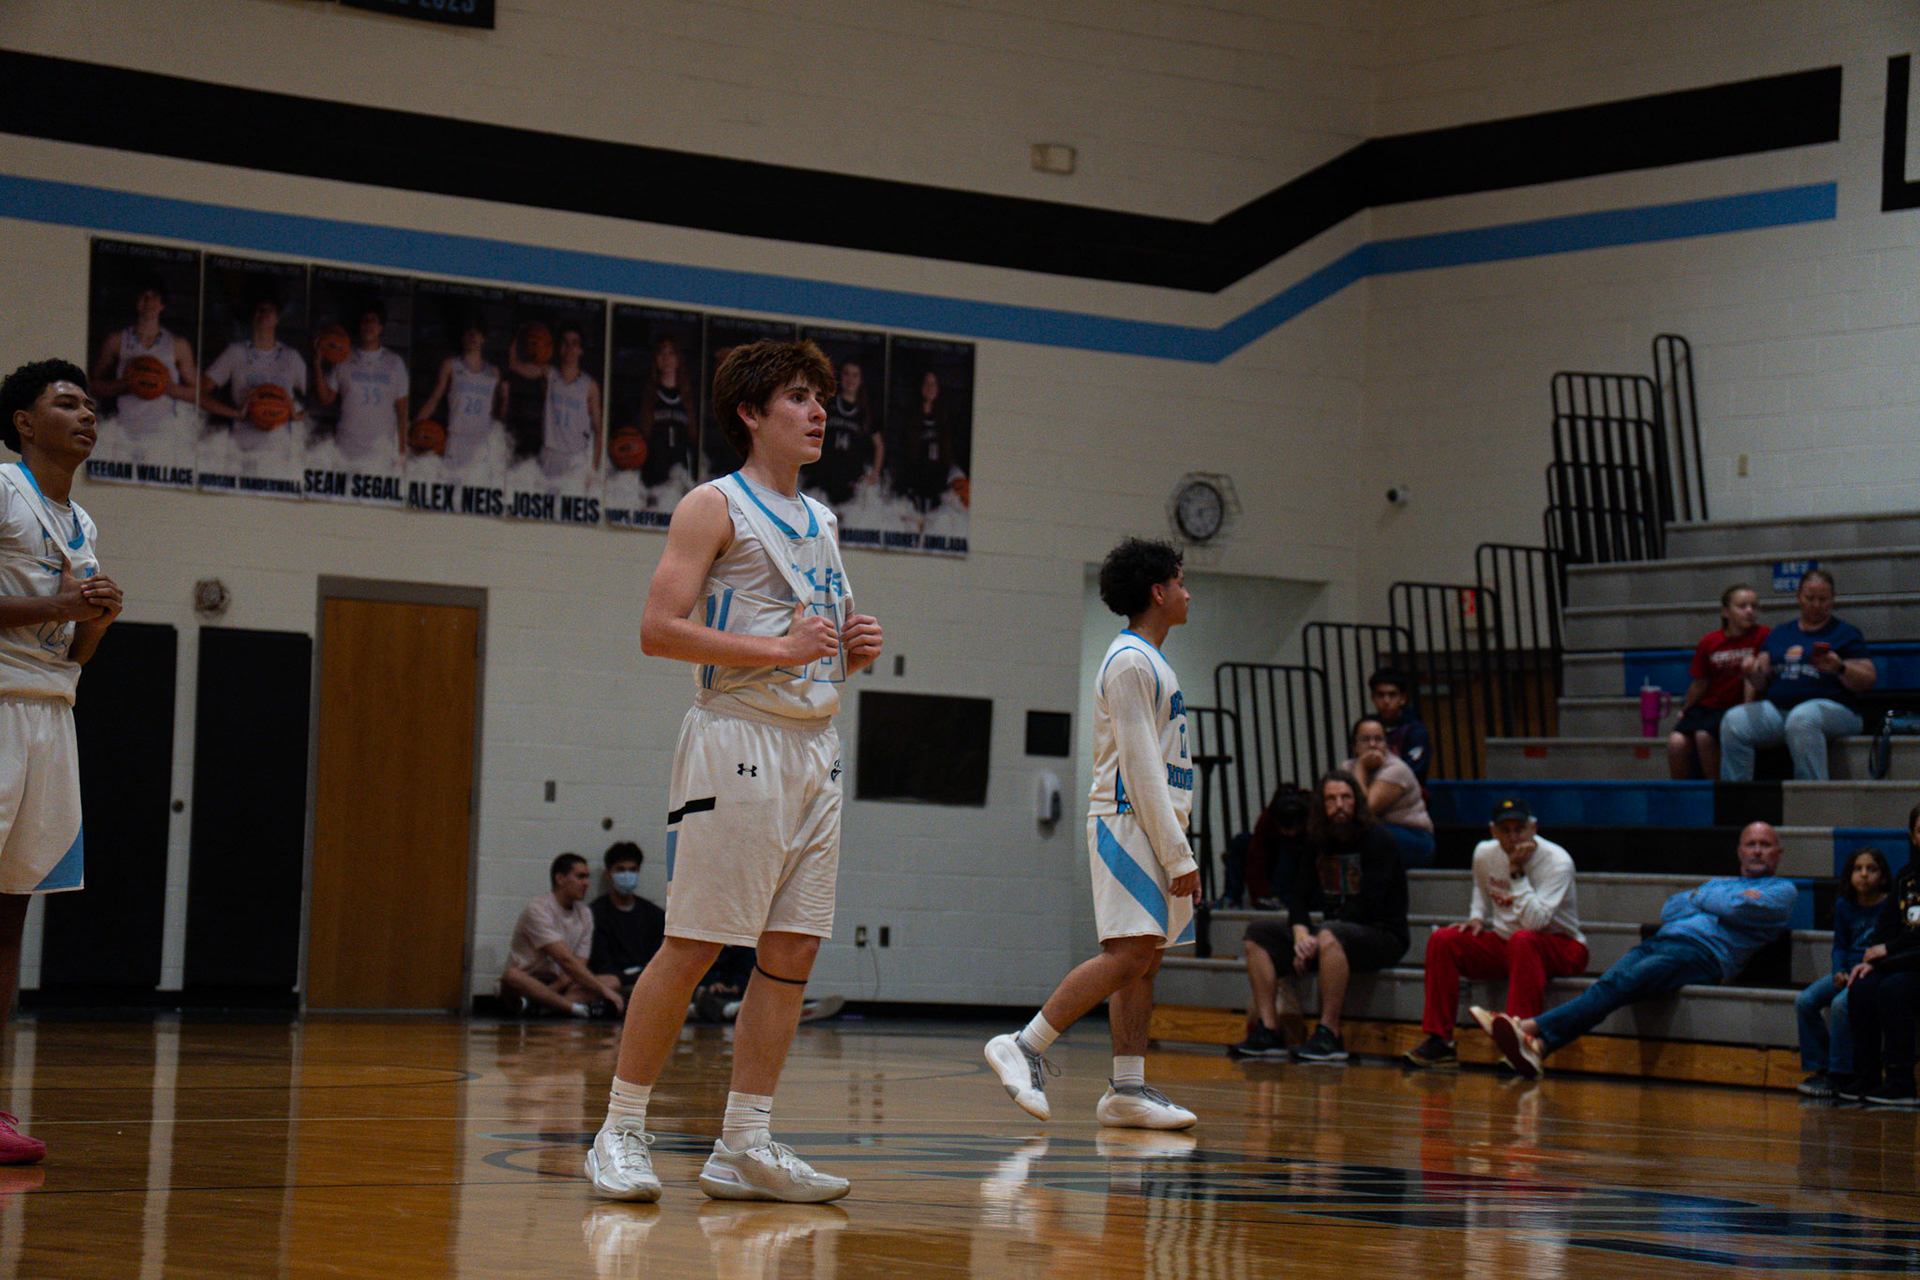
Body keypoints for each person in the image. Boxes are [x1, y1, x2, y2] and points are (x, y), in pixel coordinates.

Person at [585, 339, 882, 1205]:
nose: (818, 411)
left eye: (821, 397)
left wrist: (851, 654)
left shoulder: (822, 521)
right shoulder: (712, 505)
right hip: (736, 738)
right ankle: (619, 1130)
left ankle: (743, 1143)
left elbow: (809, 647)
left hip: (815, 748)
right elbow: (658, 629)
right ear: (751, 414)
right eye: (798, 397)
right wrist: (782, 650)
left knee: (793, 949)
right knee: (695, 942)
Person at [984, 537, 1201, 1131]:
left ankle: (1127, 1089)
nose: (1187, 593)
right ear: (1158, 592)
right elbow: (1140, 766)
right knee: (1128, 953)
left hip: (1150, 822)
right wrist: (1177, 854)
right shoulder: (1130, 661)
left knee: (1145, 960)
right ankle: (1024, 1045)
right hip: (1127, 820)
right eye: (1180, 582)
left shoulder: (1150, 660)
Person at [0, 359, 125, 1165]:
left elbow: (75, 649)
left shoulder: (81, 521)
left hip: (50, 711)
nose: (86, 416)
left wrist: (98, 621)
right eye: (67, 403)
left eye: (91, 406)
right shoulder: (1, 489)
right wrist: (59, 604)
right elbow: (47, 611)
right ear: (23, 421)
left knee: (9, 919)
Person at [1487, 822, 1796, 1079]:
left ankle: (1528, 1026)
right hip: (1661, 943)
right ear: (1740, 851)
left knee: (1616, 985)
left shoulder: (1782, 890)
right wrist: (1719, 900)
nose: (1757, 851)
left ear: (1779, 853)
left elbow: (1737, 908)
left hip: (1703, 955)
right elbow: (1670, 909)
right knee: (1610, 985)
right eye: (1751, 844)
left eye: (1765, 845)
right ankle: (1539, 1048)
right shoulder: (1722, 884)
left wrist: (1700, 897)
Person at [1231, 770, 1408, 1061]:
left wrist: (1319, 937)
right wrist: (1301, 933)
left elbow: (1370, 904)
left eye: (1346, 798)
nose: (1339, 805)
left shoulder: (1379, 840)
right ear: (1322, 806)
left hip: (1383, 934)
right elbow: (1298, 896)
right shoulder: (1318, 841)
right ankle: (1269, 1029)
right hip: (1332, 935)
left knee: (1329, 934)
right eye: (1331, 799)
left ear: (1357, 802)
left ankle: (1329, 1032)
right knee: (1258, 934)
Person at [1405, 798, 1588, 1068]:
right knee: (1443, 939)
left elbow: (1535, 923)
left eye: (1520, 829)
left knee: (1523, 939)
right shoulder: (1484, 853)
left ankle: (1520, 1041)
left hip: (1562, 946)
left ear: (1534, 828)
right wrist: (1477, 917)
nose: (1513, 837)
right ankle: (1440, 1041)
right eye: (1505, 830)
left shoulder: (1557, 862)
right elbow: (1481, 888)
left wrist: (1516, 873)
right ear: (1493, 832)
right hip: (1510, 943)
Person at [1720, 571, 1875, 782]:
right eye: (1810, 598)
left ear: (1832, 599)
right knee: (1734, 721)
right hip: (1781, 709)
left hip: (1836, 709)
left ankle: (1811, 793)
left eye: (1822, 599)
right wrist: (1752, 671)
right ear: (1799, 597)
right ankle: (1737, 794)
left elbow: (1868, 679)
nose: (1816, 605)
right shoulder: (1780, 634)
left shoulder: (1846, 633)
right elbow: (1762, 681)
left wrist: (1841, 668)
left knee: (1802, 718)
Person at [1834, 803, 1920, 1106]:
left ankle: (1901, 1082)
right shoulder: (1906, 877)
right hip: (1903, 961)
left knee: (1893, 989)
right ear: (1912, 835)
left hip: (1912, 964)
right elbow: (1886, 925)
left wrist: (1888, 952)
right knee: (1862, 987)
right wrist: (1873, 960)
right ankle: (1868, 1075)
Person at [1796, 846, 1889, 1098]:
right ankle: (1821, 1065)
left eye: (1871, 869)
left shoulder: (1889, 905)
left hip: (1872, 972)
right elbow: (1840, 945)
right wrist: (1838, 971)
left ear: (1883, 876)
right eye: (1858, 869)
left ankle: (1841, 1073)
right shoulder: (1844, 905)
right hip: (1847, 969)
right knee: (1804, 1001)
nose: (1864, 874)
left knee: (1840, 1005)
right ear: (1849, 875)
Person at [501, 853, 626, 1018]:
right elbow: (565, 959)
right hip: (529, 981)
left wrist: (558, 986)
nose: (586, 883)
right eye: (580, 877)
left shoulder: (585, 914)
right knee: (511, 976)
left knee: (612, 981)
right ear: (560, 879)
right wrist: (603, 991)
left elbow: (579, 964)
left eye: (587, 877)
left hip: (561, 982)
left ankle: (543, 1006)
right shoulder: (538, 909)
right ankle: (577, 1009)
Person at [1669, 584, 1769, 780]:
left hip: (1737, 709)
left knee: (1704, 736)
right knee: (1676, 742)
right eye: (1742, 606)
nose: (1749, 611)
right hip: (1710, 708)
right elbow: (1700, 682)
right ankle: (1681, 794)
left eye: (1754, 606)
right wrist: (1685, 708)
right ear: (1725, 612)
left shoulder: (1763, 635)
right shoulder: (1710, 641)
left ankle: (1717, 792)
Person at [88, 278, 197, 456]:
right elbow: (94, 385)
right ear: (136, 302)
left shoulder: (178, 344)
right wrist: (124, 385)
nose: (149, 301)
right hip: (123, 430)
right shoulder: (116, 340)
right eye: (144, 296)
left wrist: (167, 387)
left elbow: (196, 394)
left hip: (165, 432)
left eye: (155, 297)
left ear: (162, 305)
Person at [200, 294, 307, 455]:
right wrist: (236, 413)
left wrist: (297, 414)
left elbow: (317, 400)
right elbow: (199, 393)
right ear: (252, 318)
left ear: (277, 318)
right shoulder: (235, 352)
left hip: (280, 452)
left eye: (270, 310)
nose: (264, 313)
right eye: (260, 310)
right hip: (241, 449)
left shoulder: (291, 357)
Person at [313, 301, 408, 465]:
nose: (369, 324)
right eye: (365, 320)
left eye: (374, 320)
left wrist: (401, 451)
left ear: (381, 327)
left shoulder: (395, 362)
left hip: (381, 450)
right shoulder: (343, 358)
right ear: (359, 325)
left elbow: (402, 411)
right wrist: (317, 364)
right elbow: (325, 399)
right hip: (346, 448)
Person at [413, 315, 500, 474]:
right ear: (462, 337)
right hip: (456, 440)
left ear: (483, 338)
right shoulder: (451, 365)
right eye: (469, 332)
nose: (473, 336)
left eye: (477, 332)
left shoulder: (493, 373)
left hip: (482, 444)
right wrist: (414, 426)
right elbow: (435, 399)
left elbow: (493, 414)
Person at [1343, 715, 1434, 869]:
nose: (1372, 745)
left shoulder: (1395, 769)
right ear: (1354, 747)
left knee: (1368, 834)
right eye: (1365, 740)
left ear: (1386, 744)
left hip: (1412, 837)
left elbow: (1365, 810)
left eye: (1378, 739)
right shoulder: (1346, 767)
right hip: (1377, 833)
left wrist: (1360, 768)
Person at [588, 841, 666, 995]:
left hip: (648, 983)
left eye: (632, 870)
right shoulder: (595, 914)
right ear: (608, 874)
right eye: (621, 870)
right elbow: (601, 964)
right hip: (613, 984)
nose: (627, 875)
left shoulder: (654, 915)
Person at [802, 357, 882, 507]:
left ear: (861, 380)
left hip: (851, 484)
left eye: (855, 375)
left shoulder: (866, 411)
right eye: (846, 374)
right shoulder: (826, 404)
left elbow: (879, 445)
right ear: (840, 376)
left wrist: (874, 474)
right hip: (822, 480)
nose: (850, 379)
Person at [539, 325, 602, 479]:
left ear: (581, 350)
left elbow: (598, 431)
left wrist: (593, 470)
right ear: (559, 347)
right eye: (565, 342)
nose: (569, 347)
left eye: (574, 343)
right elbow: (516, 365)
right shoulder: (548, 374)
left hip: (576, 458)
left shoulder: (590, 386)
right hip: (549, 455)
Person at [636, 335, 695, 496]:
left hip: (680, 480)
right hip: (651, 482)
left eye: (671, 353)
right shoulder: (647, 397)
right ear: (655, 359)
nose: (666, 358)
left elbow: (693, 443)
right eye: (661, 353)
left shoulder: (688, 399)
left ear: (678, 359)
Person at [1368, 669, 1431, 784]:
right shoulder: (1367, 728)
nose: (1386, 701)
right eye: (1380, 695)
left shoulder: (1415, 731)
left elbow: (1411, 773)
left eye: (1392, 695)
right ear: (1372, 699)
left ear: (1403, 699)